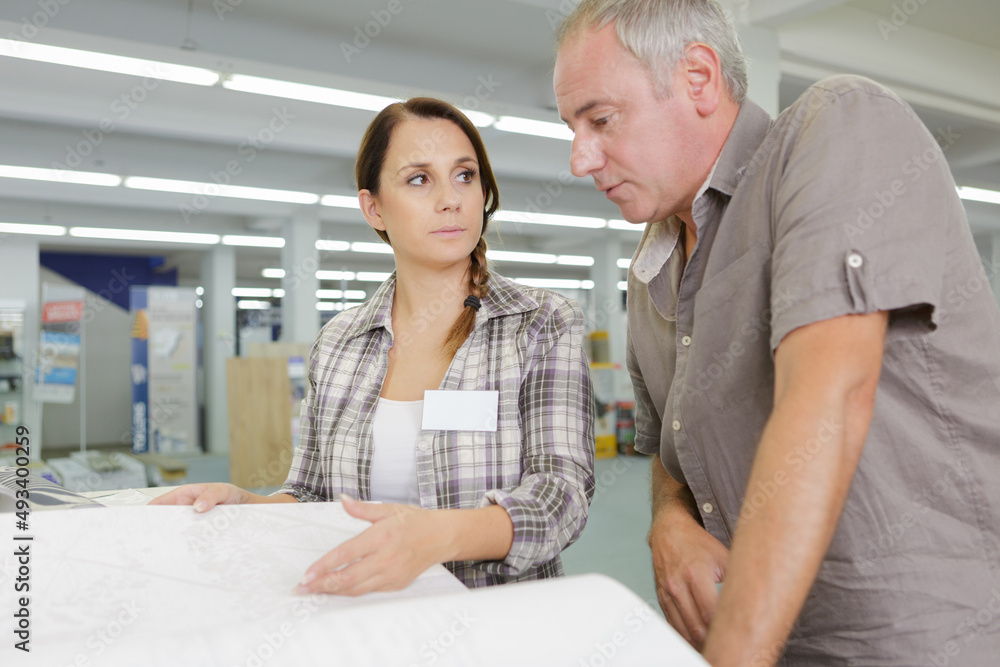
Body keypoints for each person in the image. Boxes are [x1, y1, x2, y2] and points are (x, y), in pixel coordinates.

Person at [554, 1, 1000, 665]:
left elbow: (829, 393)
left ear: (698, 78)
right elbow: (669, 451)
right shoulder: (654, 266)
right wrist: (670, 519)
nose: (578, 158)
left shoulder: (839, 128)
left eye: (600, 119)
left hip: (916, 637)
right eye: (571, 127)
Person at [153, 97, 596, 594]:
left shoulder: (541, 325)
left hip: (496, 629)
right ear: (375, 208)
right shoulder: (340, 342)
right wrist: (247, 507)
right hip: (366, 622)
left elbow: (562, 497)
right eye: (419, 179)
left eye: (465, 175)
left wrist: (437, 537)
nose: (450, 198)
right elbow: (312, 493)